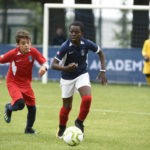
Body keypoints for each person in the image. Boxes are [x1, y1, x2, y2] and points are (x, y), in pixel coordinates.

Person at [51, 21, 107, 138]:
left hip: (82, 74)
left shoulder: (86, 43)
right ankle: (62, 128)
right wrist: (66, 68)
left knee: (87, 98)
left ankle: (79, 122)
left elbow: (101, 53)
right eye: (71, 32)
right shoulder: (65, 46)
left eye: (76, 32)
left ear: (82, 33)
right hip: (66, 78)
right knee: (67, 107)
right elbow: (53, 65)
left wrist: (103, 71)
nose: (73, 34)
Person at [0, 30, 48, 134]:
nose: (27, 45)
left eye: (28, 42)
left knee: (32, 108)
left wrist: (44, 68)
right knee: (20, 104)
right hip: (13, 82)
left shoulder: (33, 52)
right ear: (18, 44)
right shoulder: (13, 54)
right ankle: (9, 107)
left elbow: (44, 61)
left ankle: (28, 129)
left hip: (26, 84)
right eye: (23, 43)